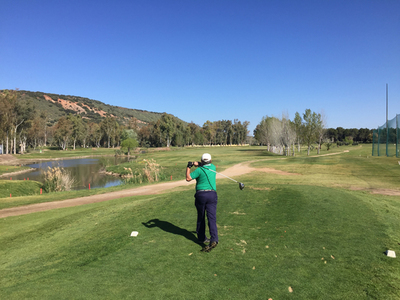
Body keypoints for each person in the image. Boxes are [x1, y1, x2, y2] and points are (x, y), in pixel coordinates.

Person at [186, 153, 218, 252]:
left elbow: (188, 178)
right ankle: (214, 239)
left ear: (201, 161)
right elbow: (205, 164)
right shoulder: (213, 167)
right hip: (212, 195)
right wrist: (198, 163)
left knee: (201, 216)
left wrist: (189, 167)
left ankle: (201, 238)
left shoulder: (199, 170)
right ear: (210, 160)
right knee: (211, 218)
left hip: (201, 195)